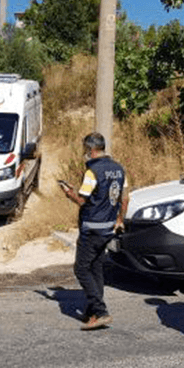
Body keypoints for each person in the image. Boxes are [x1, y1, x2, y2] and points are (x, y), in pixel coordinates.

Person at [59, 132, 129, 330]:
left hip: (92, 227)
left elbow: (82, 200)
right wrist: (119, 220)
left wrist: (68, 193)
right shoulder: (118, 168)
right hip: (108, 227)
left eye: (85, 150)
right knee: (96, 267)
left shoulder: (93, 171)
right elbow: (125, 198)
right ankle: (91, 312)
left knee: (81, 269)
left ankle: (100, 311)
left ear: (90, 149)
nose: (84, 154)